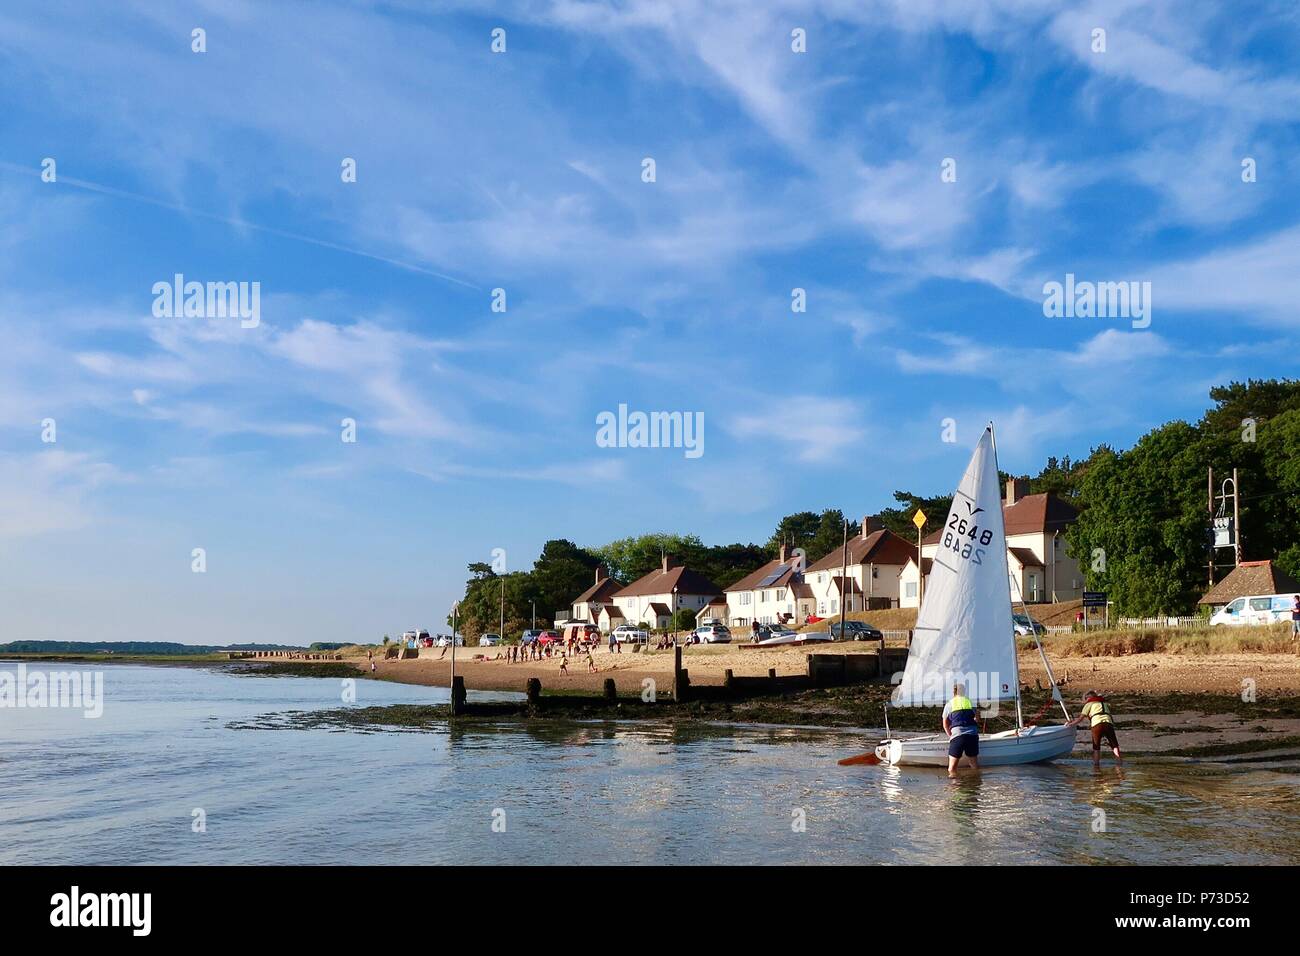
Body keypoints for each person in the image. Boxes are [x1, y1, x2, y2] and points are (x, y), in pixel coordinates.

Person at [1070, 689, 1122, 766]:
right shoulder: (1104, 703)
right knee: (1114, 745)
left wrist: (1071, 724)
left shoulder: (1088, 704)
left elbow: (1080, 719)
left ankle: (1096, 766)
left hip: (1097, 725)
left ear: (1087, 698)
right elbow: (1110, 716)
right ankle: (1119, 763)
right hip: (1108, 723)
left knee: (1096, 747)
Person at [942, 683, 980, 774]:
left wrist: (950, 736)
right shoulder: (971, 702)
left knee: (952, 769)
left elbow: (945, 724)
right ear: (964, 692)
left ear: (954, 692)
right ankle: (974, 783)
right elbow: (977, 719)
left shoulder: (949, 704)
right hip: (972, 735)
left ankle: (954, 786)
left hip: (958, 736)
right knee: (974, 765)